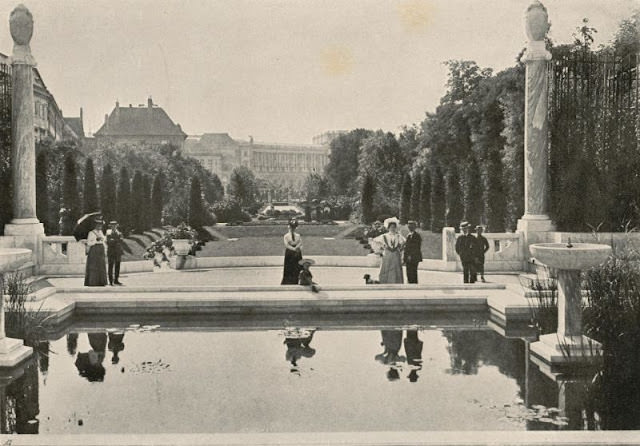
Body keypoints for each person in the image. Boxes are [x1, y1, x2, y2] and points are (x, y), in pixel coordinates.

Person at [372, 217, 406, 284]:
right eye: (391, 227)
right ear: (388, 228)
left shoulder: (399, 236)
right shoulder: (384, 236)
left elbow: (404, 242)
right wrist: (380, 249)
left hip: (395, 254)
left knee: (396, 267)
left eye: (394, 227)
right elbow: (374, 241)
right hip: (387, 254)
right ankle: (385, 281)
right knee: (386, 267)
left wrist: (401, 248)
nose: (392, 228)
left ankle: (396, 281)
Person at [84, 219, 108, 287]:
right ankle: (93, 282)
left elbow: (103, 241)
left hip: (101, 250)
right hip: (94, 250)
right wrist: (95, 240)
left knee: (101, 265)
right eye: (98, 225)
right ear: (95, 226)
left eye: (100, 225)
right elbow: (89, 243)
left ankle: (101, 282)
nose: (99, 227)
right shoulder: (91, 233)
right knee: (94, 266)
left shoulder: (101, 232)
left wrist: (103, 239)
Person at [281, 219, 303, 284]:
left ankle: (298, 280)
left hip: (297, 253)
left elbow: (300, 242)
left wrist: (297, 248)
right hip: (290, 253)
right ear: (289, 227)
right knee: (289, 267)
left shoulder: (298, 235)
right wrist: (294, 249)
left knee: (297, 266)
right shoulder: (286, 236)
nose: (292, 229)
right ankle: (288, 281)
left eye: (293, 227)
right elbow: (287, 245)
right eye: (291, 227)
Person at [106, 220, 124, 286]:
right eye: (112, 226)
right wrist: (117, 241)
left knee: (117, 266)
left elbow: (122, 240)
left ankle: (116, 280)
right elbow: (108, 241)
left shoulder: (119, 233)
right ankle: (110, 281)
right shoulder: (108, 232)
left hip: (118, 252)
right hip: (111, 251)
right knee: (110, 266)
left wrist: (114, 240)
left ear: (117, 226)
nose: (113, 227)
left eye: (115, 225)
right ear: (110, 226)